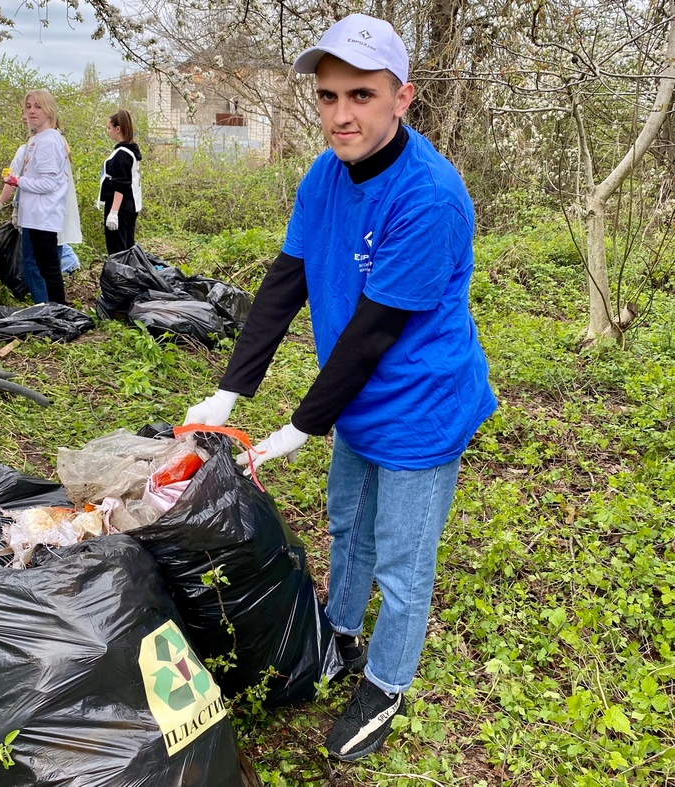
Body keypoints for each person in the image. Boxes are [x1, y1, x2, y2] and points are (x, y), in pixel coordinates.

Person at [183, 14, 497, 762]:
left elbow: (373, 333)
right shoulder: (324, 177)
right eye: (328, 96)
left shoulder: (429, 197)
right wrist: (230, 391)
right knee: (346, 527)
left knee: (402, 559)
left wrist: (300, 425)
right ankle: (342, 635)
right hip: (356, 403)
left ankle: (385, 682)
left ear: (403, 98)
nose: (341, 114)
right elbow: (283, 284)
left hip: (421, 407)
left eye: (361, 94)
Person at [2, 90, 71, 305]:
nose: (32, 111)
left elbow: (49, 183)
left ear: (49, 110)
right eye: (29, 106)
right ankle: (54, 312)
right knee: (43, 266)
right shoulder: (38, 139)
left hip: (45, 215)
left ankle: (59, 313)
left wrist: (17, 181)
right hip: (34, 215)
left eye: (38, 107)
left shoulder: (49, 141)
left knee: (48, 269)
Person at [97, 108, 142, 255]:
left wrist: (114, 212)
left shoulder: (122, 154)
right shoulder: (130, 151)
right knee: (128, 247)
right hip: (130, 204)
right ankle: (130, 276)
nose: (107, 131)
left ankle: (120, 276)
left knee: (117, 250)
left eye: (109, 128)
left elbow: (120, 185)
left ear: (118, 129)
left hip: (120, 206)